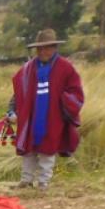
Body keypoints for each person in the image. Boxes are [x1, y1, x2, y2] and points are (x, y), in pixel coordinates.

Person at [9, 28, 84, 190]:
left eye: (47, 47)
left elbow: (76, 93)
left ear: (55, 48)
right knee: (28, 149)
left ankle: (43, 182)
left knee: (48, 149)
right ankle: (26, 180)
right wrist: (12, 110)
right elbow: (18, 92)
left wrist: (63, 101)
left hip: (53, 117)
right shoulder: (28, 68)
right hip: (31, 116)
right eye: (40, 48)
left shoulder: (65, 68)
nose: (43, 51)